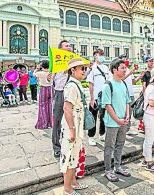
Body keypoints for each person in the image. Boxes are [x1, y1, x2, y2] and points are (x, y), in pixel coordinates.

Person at [60, 58, 89, 195]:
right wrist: (72, 130)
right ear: (73, 70)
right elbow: (67, 108)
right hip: (72, 125)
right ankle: (67, 188)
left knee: (74, 155)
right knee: (70, 156)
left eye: (85, 68)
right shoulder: (72, 86)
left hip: (76, 123)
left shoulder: (75, 84)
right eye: (82, 68)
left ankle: (72, 182)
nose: (84, 71)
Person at [102, 59, 132, 182]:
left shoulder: (123, 84)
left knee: (120, 144)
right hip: (112, 122)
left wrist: (127, 115)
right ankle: (108, 170)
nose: (125, 70)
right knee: (109, 146)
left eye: (125, 68)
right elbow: (107, 105)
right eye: (122, 68)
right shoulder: (108, 85)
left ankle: (118, 166)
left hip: (123, 121)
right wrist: (117, 120)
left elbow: (127, 101)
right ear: (115, 70)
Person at [52, 40, 73, 158]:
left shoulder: (74, 60)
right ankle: (56, 146)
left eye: (70, 45)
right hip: (60, 93)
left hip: (71, 93)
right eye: (66, 45)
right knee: (57, 121)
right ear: (60, 49)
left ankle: (69, 142)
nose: (69, 47)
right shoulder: (56, 61)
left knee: (72, 119)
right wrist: (49, 76)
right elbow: (51, 78)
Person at [86, 49, 110, 146]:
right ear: (95, 56)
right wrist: (92, 98)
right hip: (95, 97)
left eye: (102, 54)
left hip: (104, 96)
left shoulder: (106, 67)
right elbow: (90, 84)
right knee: (93, 117)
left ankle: (102, 134)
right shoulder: (92, 68)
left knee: (104, 116)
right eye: (99, 54)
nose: (101, 56)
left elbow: (109, 81)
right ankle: (91, 137)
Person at [120, 54, 143, 136]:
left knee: (129, 112)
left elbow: (133, 82)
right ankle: (122, 130)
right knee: (123, 113)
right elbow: (120, 79)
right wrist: (129, 73)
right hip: (123, 95)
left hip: (131, 94)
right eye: (123, 60)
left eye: (125, 59)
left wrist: (139, 77)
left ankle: (128, 129)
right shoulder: (121, 70)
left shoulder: (129, 69)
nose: (125, 61)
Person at [35, 60, 53, 130]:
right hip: (51, 89)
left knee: (43, 106)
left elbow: (33, 74)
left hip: (43, 89)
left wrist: (37, 68)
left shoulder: (40, 73)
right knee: (51, 106)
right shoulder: (51, 73)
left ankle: (44, 123)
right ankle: (51, 123)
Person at [138, 56, 154, 132]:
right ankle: (144, 126)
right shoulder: (145, 73)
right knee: (145, 110)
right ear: (146, 62)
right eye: (150, 61)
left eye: (152, 61)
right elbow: (143, 85)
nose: (151, 62)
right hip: (147, 93)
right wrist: (145, 95)